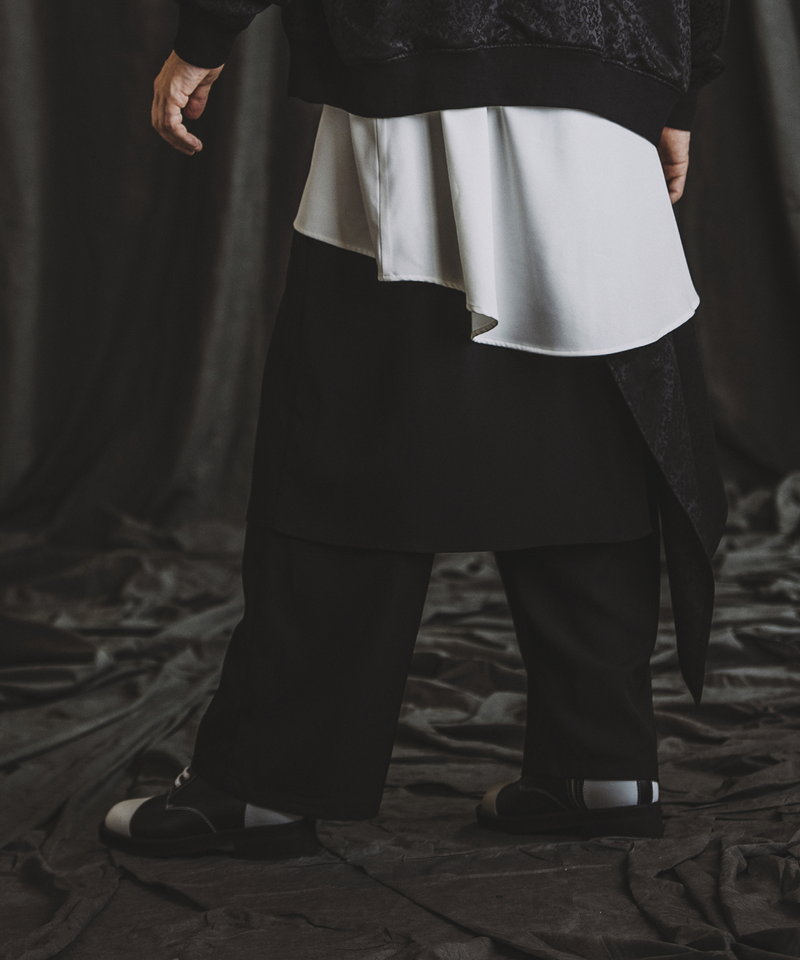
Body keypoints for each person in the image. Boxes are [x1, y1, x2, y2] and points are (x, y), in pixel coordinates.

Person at [101, 0, 730, 859]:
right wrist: (678, 83)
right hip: (609, 68)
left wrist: (206, 32)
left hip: (419, 59)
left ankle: (267, 783)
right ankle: (601, 766)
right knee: (584, 426)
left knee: (350, 431)